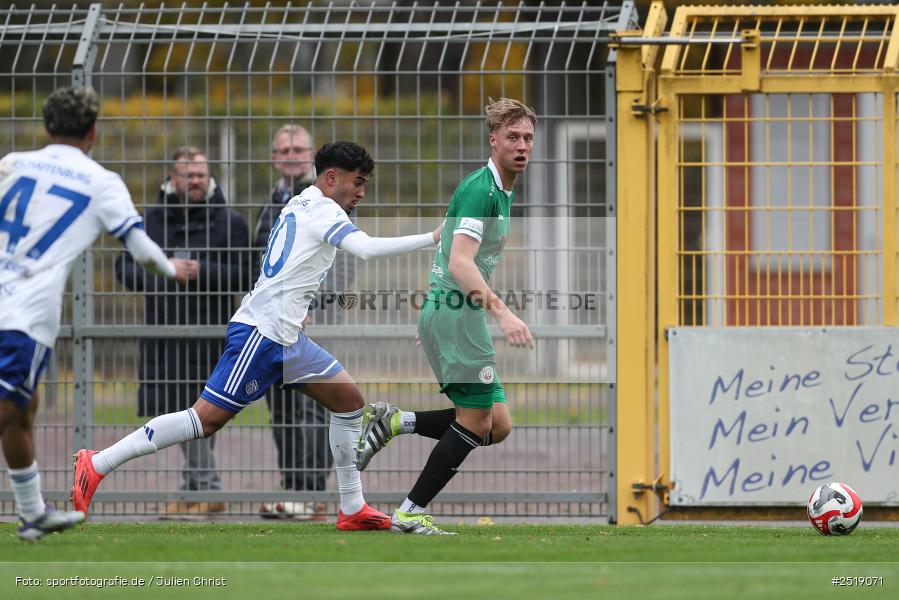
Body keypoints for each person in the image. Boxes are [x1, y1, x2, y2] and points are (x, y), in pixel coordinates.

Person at [72, 141, 442, 531]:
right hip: (261, 334)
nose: (362, 192)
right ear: (332, 178)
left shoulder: (299, 201)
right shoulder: (323, 208)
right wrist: (432, 238)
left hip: (287, 337)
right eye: (359, 182)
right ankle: (96, 464)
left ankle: (352, 508)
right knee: (203, 420)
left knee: (349, 403)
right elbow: (364, 250)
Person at [0, 86, 188, 540]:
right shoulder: (100, 181)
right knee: (8, 409)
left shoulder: (11, 163)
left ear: (46, 127)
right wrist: (171, 267)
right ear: (94, 132)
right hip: (21, 315)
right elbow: (141, 250)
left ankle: (32, 513)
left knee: (23, 409)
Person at [355, 98, 537, 535]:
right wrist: (503, 314)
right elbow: (459, 261)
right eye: (512, 137)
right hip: (459, 315)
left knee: (498, 426)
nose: (522, 145)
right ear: (493, 140)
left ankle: (397, 421)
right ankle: (409, 512)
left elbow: (444, 243)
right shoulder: (481, 189)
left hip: (453, 314)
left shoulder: (498, 189)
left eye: (528, 138)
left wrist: (438, 312)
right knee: (476, 420)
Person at [115, 145, 250, 515]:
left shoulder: (231, 222)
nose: (194, 181)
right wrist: (164, 271)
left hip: (214, 334)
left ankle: (206, 488)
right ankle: (195, 488)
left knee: (204, 409)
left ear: (209, 178)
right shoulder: (150, 220)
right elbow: (123, 269)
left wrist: (201, 271)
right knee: (178, 408)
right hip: (164, 332)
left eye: (200, 175)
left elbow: (248, 274)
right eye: (187, 175)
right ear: (172, 179)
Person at [254, 125, 351, 520]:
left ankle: (312, 493)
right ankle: (292, 487)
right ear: (275, 157)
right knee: (281, 407)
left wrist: (308, 302)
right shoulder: (269, 205)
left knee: (314, 407)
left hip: (317, 320)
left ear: (312, 157)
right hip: (275, 325)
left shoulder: (334, 202)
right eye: (284, 149)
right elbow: (258, 262)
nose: (291, 155)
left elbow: (344, 263)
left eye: (299, 149)